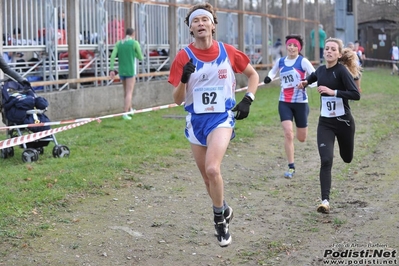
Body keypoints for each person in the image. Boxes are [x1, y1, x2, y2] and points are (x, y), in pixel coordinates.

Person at [168, 2, 259, 247]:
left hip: (221, 118)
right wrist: (184, 80)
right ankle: (224, 208)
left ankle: (219, 220)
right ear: (190, 28)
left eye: (204, 20)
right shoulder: (183, 57)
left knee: (212, 169)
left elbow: (253, 75)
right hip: (195, 121)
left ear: (213, 25)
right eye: (195, 21)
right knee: (208, 181)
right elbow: (177, 100)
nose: (200, 24)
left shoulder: (227, 51)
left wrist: (248, 99)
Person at [298, 38, 361, 214]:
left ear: (339, 54)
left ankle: (346, 150)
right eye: (327, 49)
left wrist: (333, 92)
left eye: (333, 49)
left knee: (347, 157)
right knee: (326, 160)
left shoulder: (341, 71)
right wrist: (304, 83)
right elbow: (311, 78)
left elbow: (355, 94)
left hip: (344, 123)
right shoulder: (320, 70)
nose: (329, 51)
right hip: (325, 123)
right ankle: (325, 201)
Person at [263, 35, 315, 179]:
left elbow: (315, 77)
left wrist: (306, 82)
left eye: (294, 45)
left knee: (302, 138)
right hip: (284, 102)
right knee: (288, 133)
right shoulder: (281, 61)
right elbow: (273, 72)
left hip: (300, 103)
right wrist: (269, 77)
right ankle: (291, 166)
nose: (292, 48)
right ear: (286, 46)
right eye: (289, 45)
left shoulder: (303, 62)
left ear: (299, 48)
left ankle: (302, 126)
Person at [109, 28, 143, 120]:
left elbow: (112, 56)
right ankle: (125, 112)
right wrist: (134, 54)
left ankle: (130, 108)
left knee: (126, 91)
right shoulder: (134, 43)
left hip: (121, 70)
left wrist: (111, 69)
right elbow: (140, 57)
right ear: (133, 34)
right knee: (129, 92)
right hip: (130, 70)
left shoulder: (119, 43)